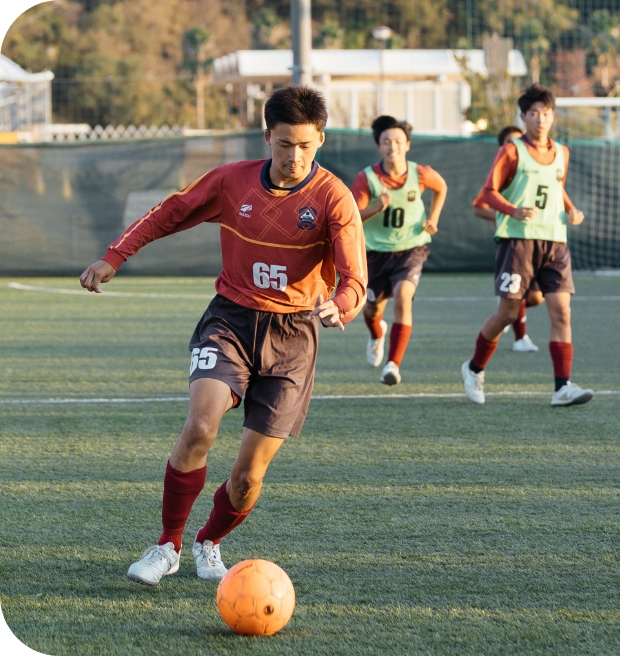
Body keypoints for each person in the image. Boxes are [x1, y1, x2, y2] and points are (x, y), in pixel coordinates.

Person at [78, 86, 367, 586]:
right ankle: (167, 545)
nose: (294, 156)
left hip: (294, 338)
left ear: (320, 139)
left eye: (304, 145)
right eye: (284, 144)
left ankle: (208, 542)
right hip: (230, 320)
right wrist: (115, 255)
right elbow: (170, 211)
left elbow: (355, 279)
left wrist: (339, 305)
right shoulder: (233, 181)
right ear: (267, 137)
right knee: (200, 426)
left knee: (248, 477)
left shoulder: (333, 197)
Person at [460, 84, 593, 407]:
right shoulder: (511, 151)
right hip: (518, 241)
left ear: (553, 116)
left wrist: (571, 209)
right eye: (533, 113)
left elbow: (556, 187)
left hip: (555, 241)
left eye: (545, 113)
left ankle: (562, 387)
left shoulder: (562, 152)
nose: (540, 119)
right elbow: (488, 192)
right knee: (507, 313)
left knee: (562, 311)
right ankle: (474, 368)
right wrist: (513, 210)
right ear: (523, 117)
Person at [350, 115, 448, 385]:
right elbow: (353, 215)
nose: (392, 146)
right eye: (386, 141)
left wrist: (433, 218)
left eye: (397, 141)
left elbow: (441, 188)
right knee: (371, 309)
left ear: (407, 145)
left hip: (411, 249)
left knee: (404, 298)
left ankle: (392, 365)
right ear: (378, 146)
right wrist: (376, 207)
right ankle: (376, 333)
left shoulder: (420, 173)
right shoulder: (367, 178)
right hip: (375, 253)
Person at [473, 125, 543, 353]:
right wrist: (507, 213)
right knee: (517, 294)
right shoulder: (501, 174)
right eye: (510, 142)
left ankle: (504, 313)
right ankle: (520, 338)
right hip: (512, 241)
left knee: (537, 297)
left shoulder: (534, 171)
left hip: (538, 239)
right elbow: (479, 206)